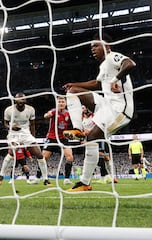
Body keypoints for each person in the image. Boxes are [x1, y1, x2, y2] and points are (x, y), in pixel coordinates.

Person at [63, 32, 136, 191]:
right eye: (91, 47)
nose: (92, 49)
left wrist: (114, 80)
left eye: (95, 46)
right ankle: (77, 129)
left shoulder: (112, 57)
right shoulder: (104, 65)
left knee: (92, 137)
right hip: (106, 104)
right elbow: (96, 84)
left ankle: (85, 182)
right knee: (73, 91)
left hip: (120, 110)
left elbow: (130, 64)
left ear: (106, 46)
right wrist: (74, 83)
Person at [0, 92, 50, 186]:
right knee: (12, 152)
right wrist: (11, 127)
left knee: (39, 154)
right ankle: (1, 176)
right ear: (15, 100)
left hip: (26, 134)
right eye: (18, 99)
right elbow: (5, 123)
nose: (20, 101)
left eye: (22, 99)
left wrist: (33, 137)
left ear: (25, 100)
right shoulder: (9, 110)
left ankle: (46, 179)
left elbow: (32, 124)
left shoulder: (30, 109)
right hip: (13, 134)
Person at [39, 96, 74, 185]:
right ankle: (38, 177)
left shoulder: (68, 114)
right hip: (52, 138)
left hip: (63, 138)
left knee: (70, 157)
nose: (61, 103)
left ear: (65, 104)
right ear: (57, 103)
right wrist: (47, 115)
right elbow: (46, 115)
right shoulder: (54, 111)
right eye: (59, 102)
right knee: (43, 158)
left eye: (63, 102)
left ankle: (66, 179)